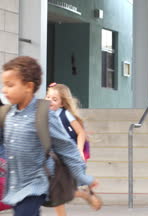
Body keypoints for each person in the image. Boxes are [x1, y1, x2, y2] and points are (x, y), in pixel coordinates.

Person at [1, 56, 99, 216]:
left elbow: (66, 148)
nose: (5, 90)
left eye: (10, 85)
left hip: (35, 184)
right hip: (14, 186)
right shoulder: (7, 113)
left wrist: (82, 176)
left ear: (28, 86)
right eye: (4, 85)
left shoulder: (43, 114)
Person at [46, 83, 102, 215]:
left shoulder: (65, 115)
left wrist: (79, 150)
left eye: (54, 99)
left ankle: (86, 192)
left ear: (62, 103)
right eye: (47, 97)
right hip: (53, 157)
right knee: (56, 191)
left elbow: (81, 133)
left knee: (59, 190)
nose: (49, 101)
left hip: (68, 155)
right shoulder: (44, 114)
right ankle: (85, 194)